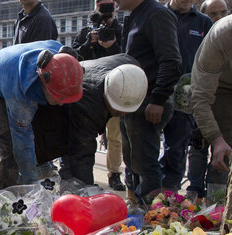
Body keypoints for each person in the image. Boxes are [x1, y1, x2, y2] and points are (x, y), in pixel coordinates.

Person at [0, 40, 84, 190]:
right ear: (44, 84)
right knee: (9, 144)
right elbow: (22, 143)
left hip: (9, 71)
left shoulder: (63, 61)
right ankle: (0, 197)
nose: (61, 103)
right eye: (58, 98)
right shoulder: (20, 97)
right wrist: (33, 186)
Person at [41, 58, 148, 185]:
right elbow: (83, 152)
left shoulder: (134, 74)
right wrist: (86, 190)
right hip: (62, 107)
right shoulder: (88, 104)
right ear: (106, 95)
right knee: (71, 155)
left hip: (90, 86)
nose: (122, 114)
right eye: (118, 111)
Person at [116, 0, 181, 203]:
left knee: (145, 164)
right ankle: (139, 207)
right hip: (132, 102)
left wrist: (158, 99)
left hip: (149, 101)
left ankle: (153, 217)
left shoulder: (156, 15)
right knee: (133, 161)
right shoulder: (135, 16)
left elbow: (171, 60)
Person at [73, 0, 126, 190]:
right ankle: (85, 174)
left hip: (113, 88)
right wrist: (89, 43)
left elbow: (126, 58)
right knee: (86, 134)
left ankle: (114, 174)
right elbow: (75, 57)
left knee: (115, 135)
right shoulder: (86, 31)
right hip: (88, 90)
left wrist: (111, 46)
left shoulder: (122, 30)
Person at [159, 0, 211, 191]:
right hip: (156, 92)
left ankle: (168, 197)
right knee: (145, 148)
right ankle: (142, 196)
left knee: (177, 149)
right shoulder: (157, 15)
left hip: (186, 97)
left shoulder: (203, 22)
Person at [190, 16, 232, 206]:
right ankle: (219, 208)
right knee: (225, 152)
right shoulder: (223, 34)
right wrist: (216, 138)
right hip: (222, 89)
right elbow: (200, 96)